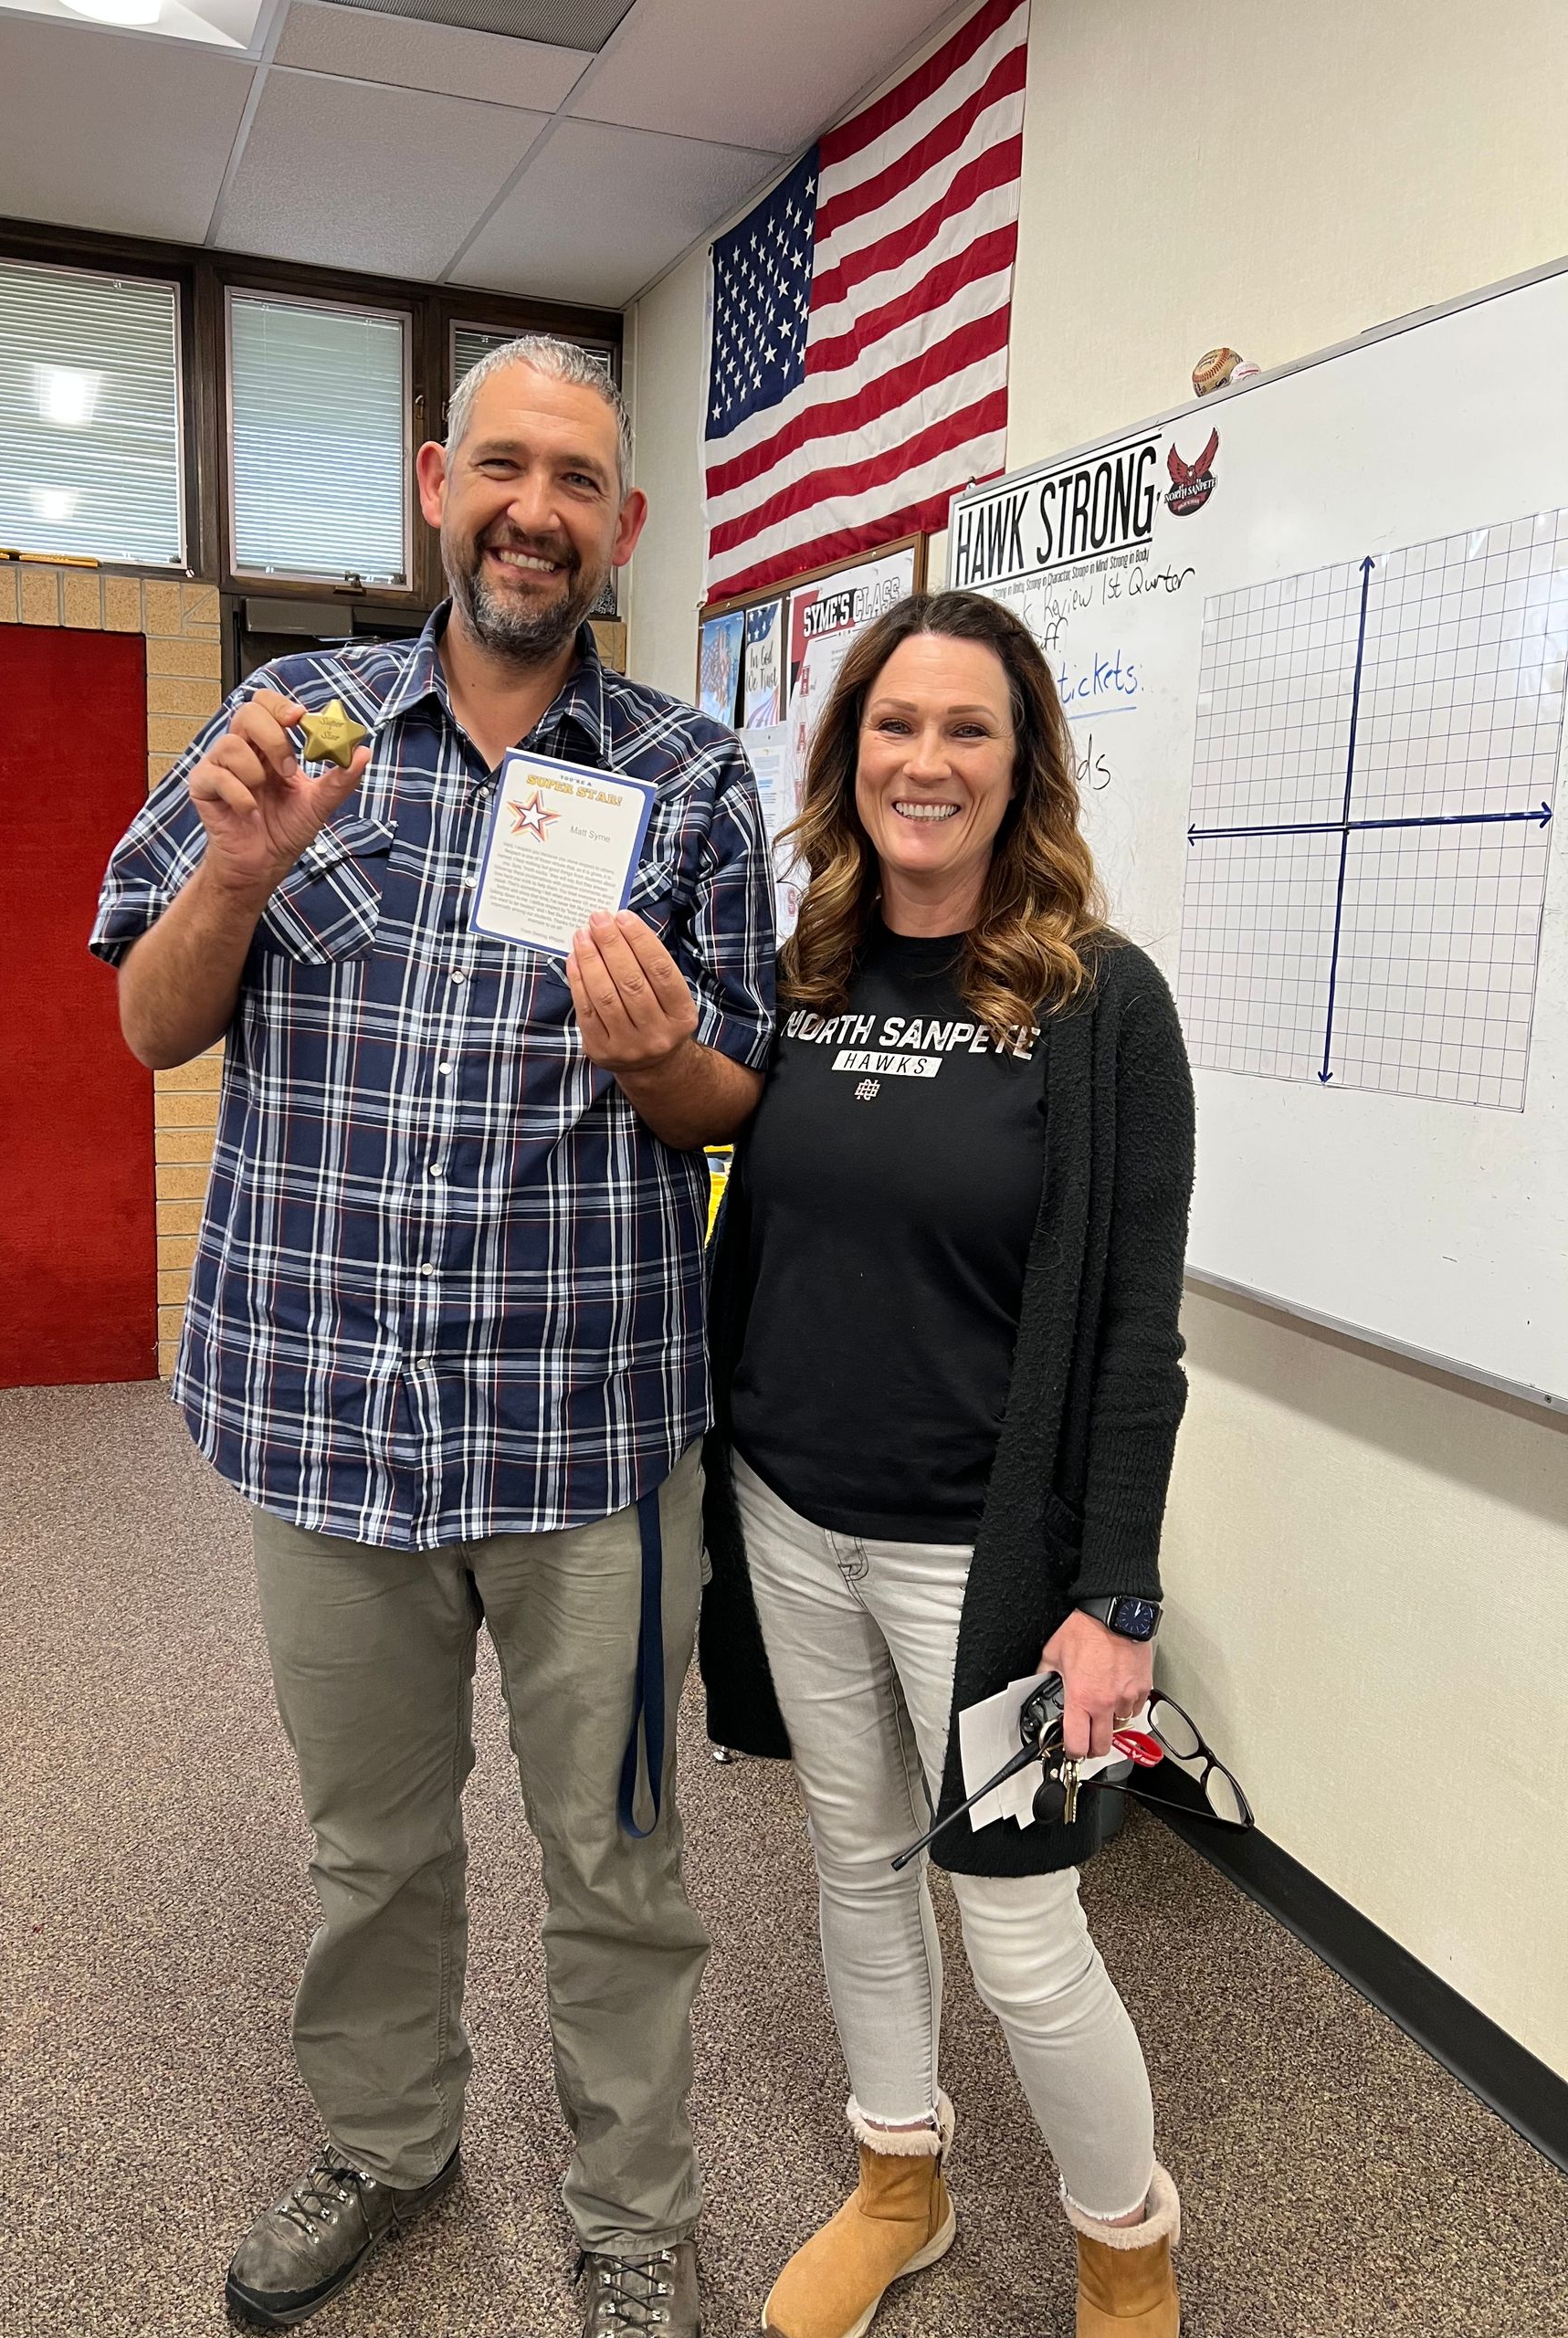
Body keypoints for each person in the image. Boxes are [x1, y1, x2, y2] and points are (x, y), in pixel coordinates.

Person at [89, 338, 775, 2337]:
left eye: (577, 478)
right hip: (330, 1414)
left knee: (621, 1858)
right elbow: (148, 1020)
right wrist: (236, 873)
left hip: (593, 1433)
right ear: (431, 483)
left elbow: (741, 1090)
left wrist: (667, 1068)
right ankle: (390, 2146)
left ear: (622, 527)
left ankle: (634, 2217)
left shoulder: (688, 773)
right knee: (370, 1843)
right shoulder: (290, 729)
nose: (535, 508)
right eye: (503, 465)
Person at [699, 590, 1196, 2338]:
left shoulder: (1099, 1006)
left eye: (966, 729)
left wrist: (1116, 1597)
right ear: (850, 759)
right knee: (849, 1862)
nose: (927, 760)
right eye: (894, 726)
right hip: (789, 1516)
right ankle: (898, 2182)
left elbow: (1137, 1329)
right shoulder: (802, 974)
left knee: (1022, 1927)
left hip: (976, 1562)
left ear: (1021, 762)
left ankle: (1124, 2246)